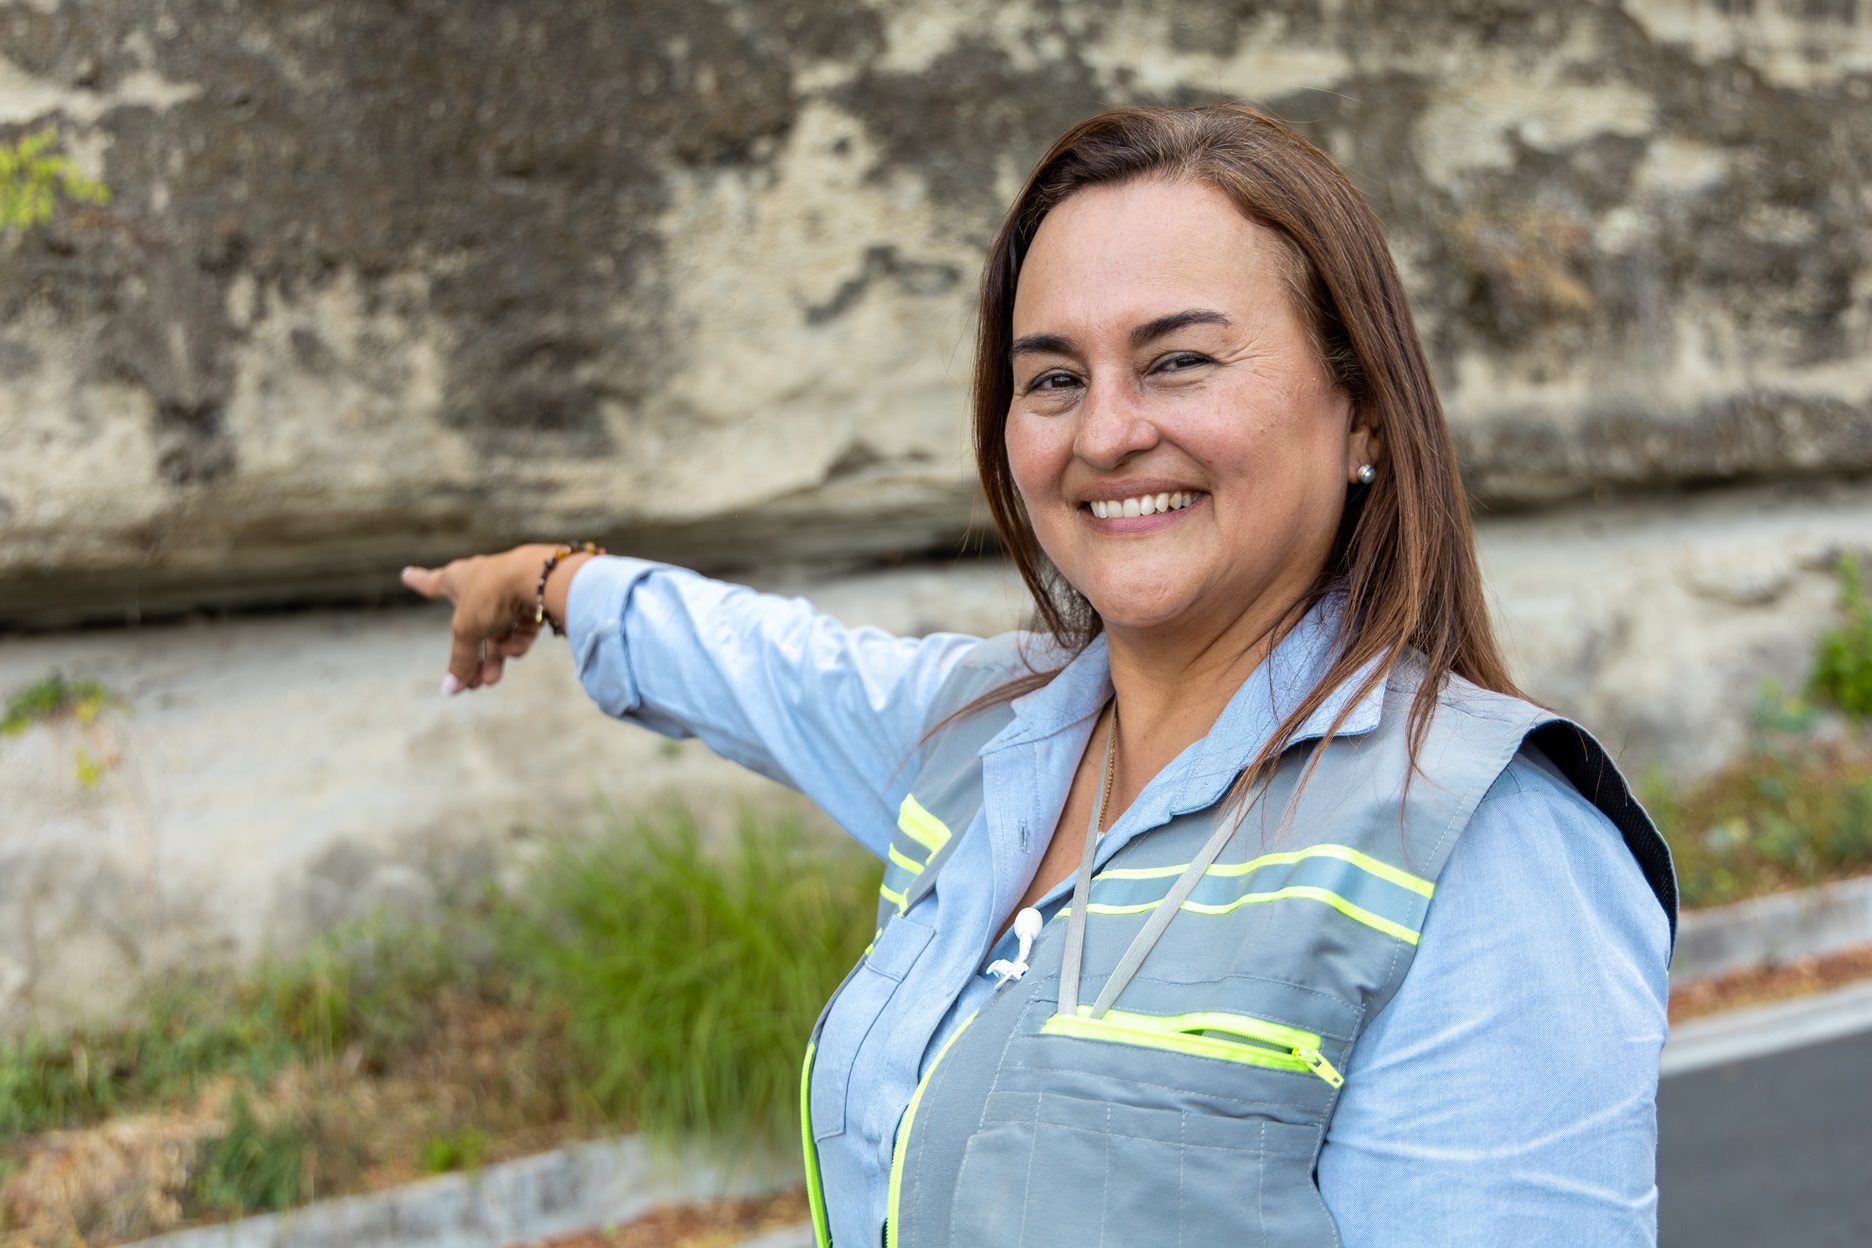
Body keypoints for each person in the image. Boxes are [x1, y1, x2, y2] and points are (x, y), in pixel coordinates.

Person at [403, 104, 1676, 1248]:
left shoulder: (1485, 842)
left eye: (1178, 359)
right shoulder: (985, 737)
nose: (1108, 433)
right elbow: (770, 672)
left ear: (1364, 416)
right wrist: (546, 578)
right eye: (1053, 377)